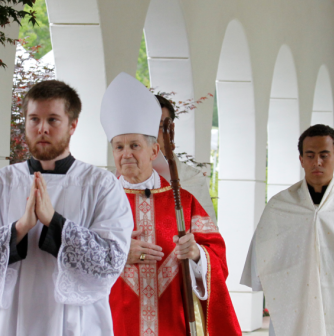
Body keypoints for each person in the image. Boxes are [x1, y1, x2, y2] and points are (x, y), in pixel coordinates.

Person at [0, 80, 134, 336]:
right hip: (9, 322)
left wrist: (55, 223)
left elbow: (112, 261)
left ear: (73, 125)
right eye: (34, 119)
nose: (42, 128)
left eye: (53, 120)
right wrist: (20, 229)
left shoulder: (101, 185)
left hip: (76, 323)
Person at [102, 72, 241, 336]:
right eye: (119, 147)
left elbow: (218, 257)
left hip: (172, 322)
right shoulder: (99, 203)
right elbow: (75, 258)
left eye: (134, 145)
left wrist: (197, 253)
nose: (126, 154)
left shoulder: (183, 201)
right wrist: (118, 254)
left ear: (154, 151)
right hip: (114, 323)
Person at [241, 124, 334, 336]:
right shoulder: (279, 206)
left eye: (324, 155)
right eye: (310, 155)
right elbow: (262, 254)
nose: (317, 162)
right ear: (301, 159)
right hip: (292, 306)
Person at [154, 95, 217, 224]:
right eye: (145, 128)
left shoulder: (192, 178)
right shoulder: (118, 181)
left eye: (160, 127)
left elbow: (209, 236)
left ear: (171, 130)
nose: (152, 135)